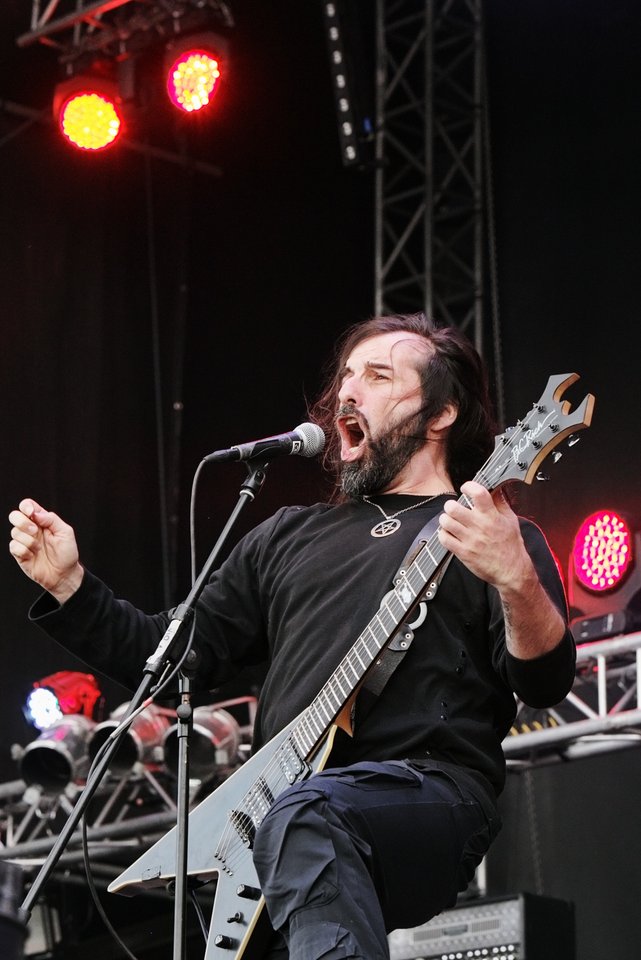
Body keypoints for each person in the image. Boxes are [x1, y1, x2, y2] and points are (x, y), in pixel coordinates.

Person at [8, 312, 576, 960]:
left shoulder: (489, 537)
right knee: (299, 831)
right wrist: (72, 588)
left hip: (428, 791)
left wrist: (514, 578)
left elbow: (544, 681)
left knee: (311, 815)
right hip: (283, 817)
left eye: (377, 376)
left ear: (441, 413)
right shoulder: (288, 535)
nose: (347, 392)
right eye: (346, 376)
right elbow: (169, 660)